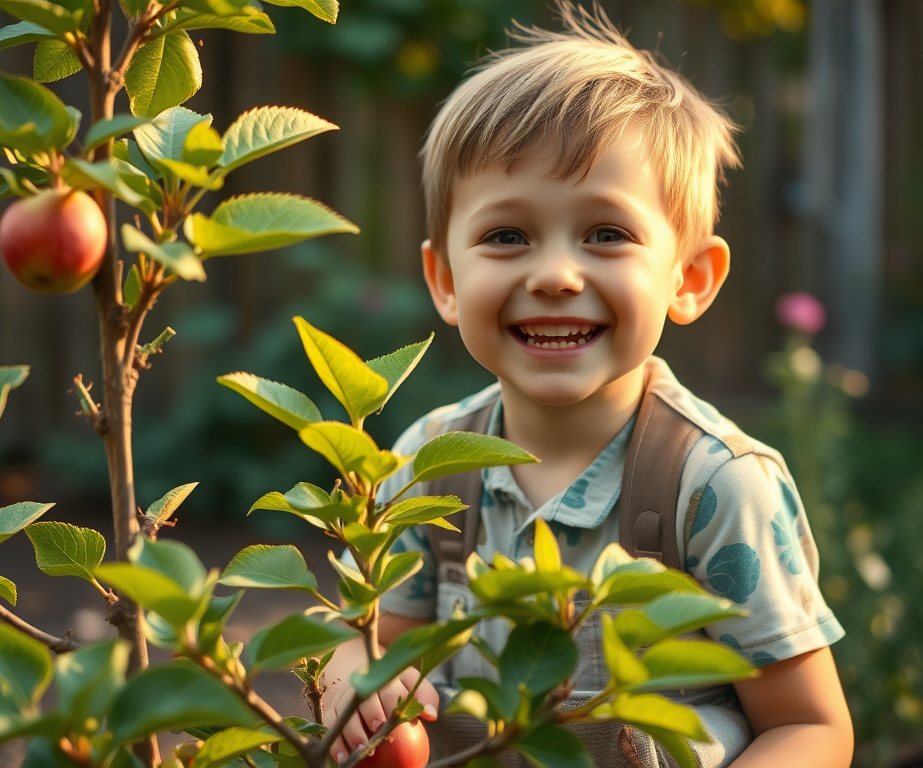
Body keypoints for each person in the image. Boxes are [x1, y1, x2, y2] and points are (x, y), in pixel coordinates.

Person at [321, 4, 853, 766]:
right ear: (444, 280)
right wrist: (354, 681)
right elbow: (372, 643)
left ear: (689, 278)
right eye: (507, 236)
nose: (556, 275)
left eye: (606, 234)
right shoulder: (427, 465)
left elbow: (810, 728)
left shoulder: (713, 488)